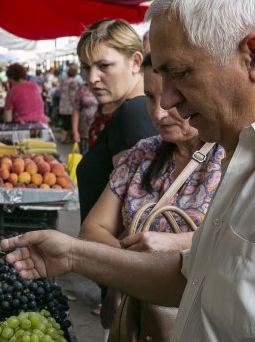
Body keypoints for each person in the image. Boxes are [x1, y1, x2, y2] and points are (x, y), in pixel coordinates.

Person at [2, 0, 255, 340]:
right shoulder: (247, 150)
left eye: (180, 74)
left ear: (254, 57)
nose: (169, 102)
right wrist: (76, 255)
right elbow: (194, 276)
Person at [79, 53, 225, 337]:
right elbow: (91, 230)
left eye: (172, 97)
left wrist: (173, 243)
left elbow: (239, 242)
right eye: (149, 97)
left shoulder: (230, 157)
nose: (158, 112)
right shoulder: (141, 154)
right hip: (136, 322)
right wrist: (142, 266)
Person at [75, 19, 158, 223]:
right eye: (85, 67)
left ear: (136, 62)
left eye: (104, 66)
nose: (92, 78)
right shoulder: (133, 108)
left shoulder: (132, 113)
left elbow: (133, 209)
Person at [70, 68, 98, 154]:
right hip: (84, 131)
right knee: (85, 157)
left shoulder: (106, 86)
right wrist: (75, 131)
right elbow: (76, 110)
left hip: (99, 132)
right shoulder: (83, 88)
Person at [57, 63, 79, 142]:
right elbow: (72, 95)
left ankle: (64, 138)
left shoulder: (64, 80)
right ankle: (65, 139)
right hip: (69, 106)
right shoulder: (73, 82)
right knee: (68, 124)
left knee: (65, 123)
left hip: (62, 104)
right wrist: (75, 105)